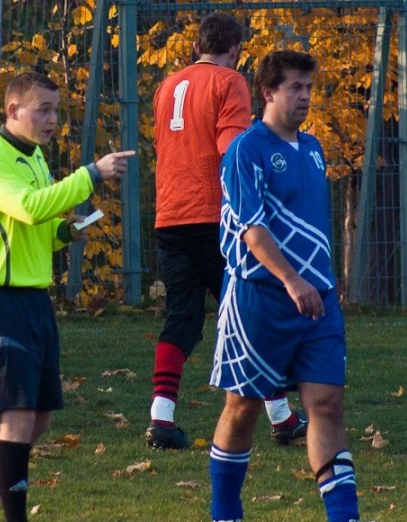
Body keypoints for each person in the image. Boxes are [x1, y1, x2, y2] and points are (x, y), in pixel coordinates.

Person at [0, 71, 134, 522]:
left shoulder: (36, 158)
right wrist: (91, 174)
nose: (53, 119)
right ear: (12, 111)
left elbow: (38, 229)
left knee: (39, 416)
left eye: (55, 109)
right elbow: (28, 209)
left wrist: (67, 234)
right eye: (43, 110)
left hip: (33, 299)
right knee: (19, 415)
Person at [207, 50, 390, 522]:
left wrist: (318, 283)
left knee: (327, 404)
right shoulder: (246, 150)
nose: (304, 95)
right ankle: (225, 521)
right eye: (294, 87)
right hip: (261, 298)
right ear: (268, 93)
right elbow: (251, 229)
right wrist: (291, 280)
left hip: (318, 300)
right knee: (242, 408)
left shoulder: (313, 148)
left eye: (308, 86)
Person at [146, 12, 306, 450]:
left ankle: (161, 416)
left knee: (182, 316)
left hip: (170, 213)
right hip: (214, 215)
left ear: (197, 47)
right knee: (252, 312)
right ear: (235, 49)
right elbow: (231, 151)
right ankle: (281, 417)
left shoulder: (166, 86)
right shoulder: (229, 82)